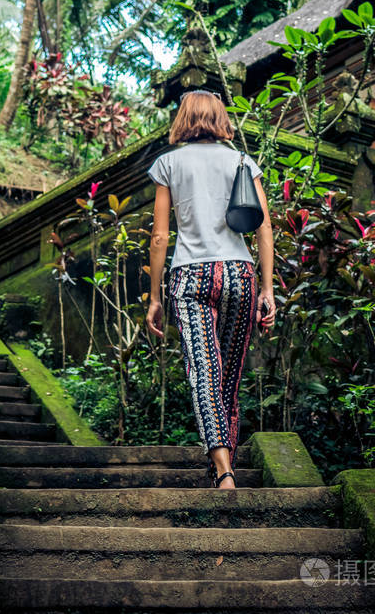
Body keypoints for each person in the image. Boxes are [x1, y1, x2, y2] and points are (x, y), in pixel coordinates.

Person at [145, 88, 276, 490]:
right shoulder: (241, 160)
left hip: (190, 276)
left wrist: (153, 297)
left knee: (204, 371)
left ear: (183, 119)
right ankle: (223, 467)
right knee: (228, 377)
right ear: (220, 118)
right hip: (239, 274)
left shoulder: (168, 164)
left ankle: (223, 471)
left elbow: (160, 237)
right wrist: (268, 289)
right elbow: (264, 228)